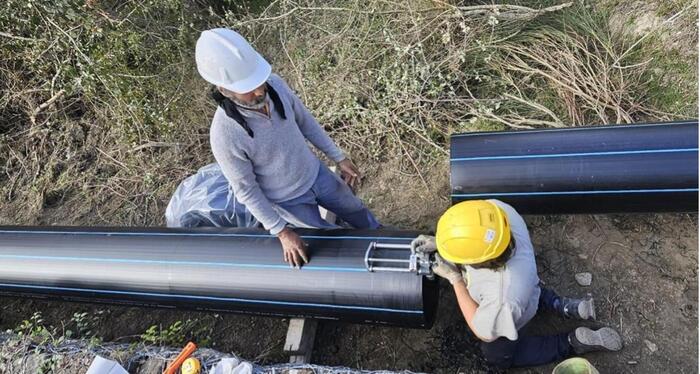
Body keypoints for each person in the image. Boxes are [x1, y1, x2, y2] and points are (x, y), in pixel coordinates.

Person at [195, 28, 380, 267]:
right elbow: (247, 190)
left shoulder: (276, 86)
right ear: (224, 90)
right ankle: (365, 269)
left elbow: (306, 123)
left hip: (316, 174)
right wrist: (282, 232)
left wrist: (338, 157)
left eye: (258, 81)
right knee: (329, 238)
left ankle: (381, 235)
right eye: (249, 88)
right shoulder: (225, 134)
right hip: (288, 201)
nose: (260, 90)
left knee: (356, 210)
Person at [412, 199, 622, 369]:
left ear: (479, 261)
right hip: (527, 286)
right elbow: (476, 234)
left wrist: (455, 279)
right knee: (532, 294)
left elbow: (482, 330)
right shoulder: (500, 212)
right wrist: (442, 241)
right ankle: (562, 305)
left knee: (496, 356)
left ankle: (570, 342)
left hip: (516, 308)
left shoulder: (503, 297)